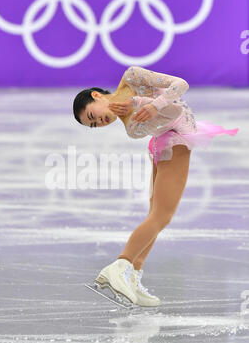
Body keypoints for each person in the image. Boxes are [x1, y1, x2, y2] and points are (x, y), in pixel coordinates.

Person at [73, 66, 239, 307]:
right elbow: (173, 111)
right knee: (162, 215)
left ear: (96, 96)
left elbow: (180, 85)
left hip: (169, 142)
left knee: (156, 214)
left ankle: (133, 275)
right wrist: (141, 106)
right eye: (94, 125)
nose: (99, 122)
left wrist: (144, 103)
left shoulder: (132, 77)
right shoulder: (132, 128)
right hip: (175, 144)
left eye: (92, 116)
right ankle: (121, 265)